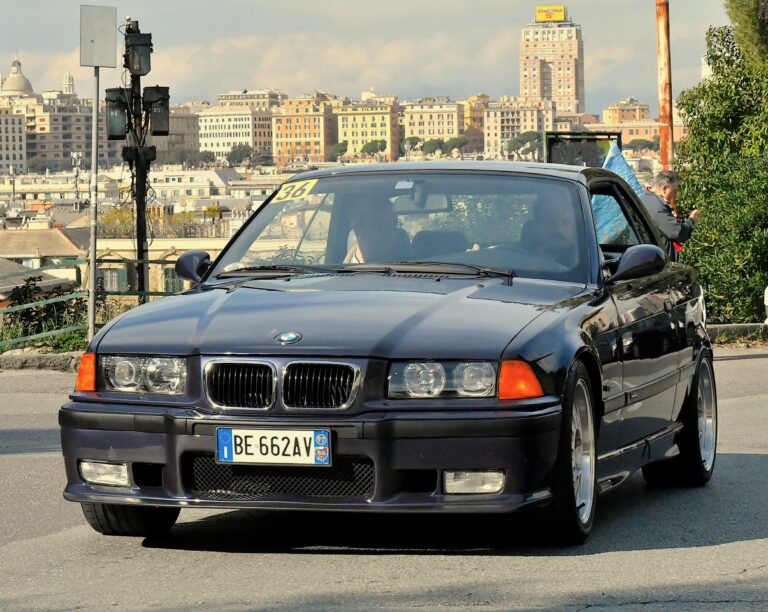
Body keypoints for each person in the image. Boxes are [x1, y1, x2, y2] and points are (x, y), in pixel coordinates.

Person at [640, 170, 698, 261]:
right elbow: (678, 233)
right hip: (658, 261)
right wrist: (691, 220)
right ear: (665, 188)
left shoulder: (648, 199)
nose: (675, 195)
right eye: (674, 191)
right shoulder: (656, 206)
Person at [343, 199, 410, 264]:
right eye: (382, 226)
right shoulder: (338, 272)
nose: (392, 235)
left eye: (393, 226)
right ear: (359, 229)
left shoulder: (410, 269)